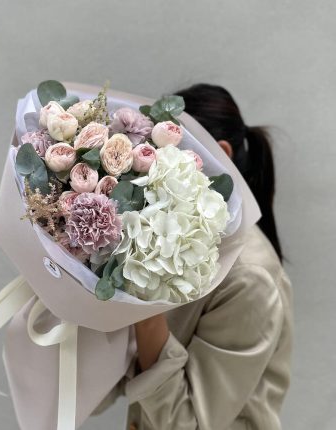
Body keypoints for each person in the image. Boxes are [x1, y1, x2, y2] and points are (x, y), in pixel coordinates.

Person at [92, 84, 294, 430]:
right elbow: (108, 388)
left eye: (166, 152)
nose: (150, 167)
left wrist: (146, 308)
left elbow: (188, 423)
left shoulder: (250, 278)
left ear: (220, 156)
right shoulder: (170, 244)